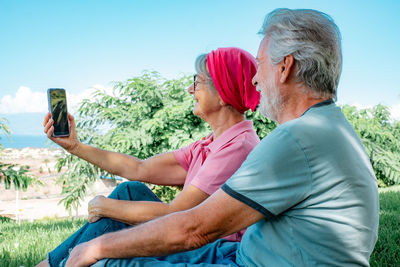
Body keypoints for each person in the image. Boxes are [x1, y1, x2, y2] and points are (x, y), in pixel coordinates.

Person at [59, 8, 379, 267]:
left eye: (261, 66)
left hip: (240, 260)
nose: (255, 79)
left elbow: (194, 229)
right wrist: (76, 146)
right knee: (127, 205)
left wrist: (97, 247)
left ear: (285, 68)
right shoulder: (325, 128)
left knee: (112, 261)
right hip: (239, 255)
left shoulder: (297, 139)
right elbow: (144, 172)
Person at [37, 47, 261, 267]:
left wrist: (104, 207)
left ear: (222, 93)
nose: (190, 90)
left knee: (117, 212)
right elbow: (139, 168)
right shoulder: (211, 143)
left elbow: (178, 214)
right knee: (130, 191)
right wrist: (75, 146)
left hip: (215, 250)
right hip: (196, 239)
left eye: (197, 82)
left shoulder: (237, 147)